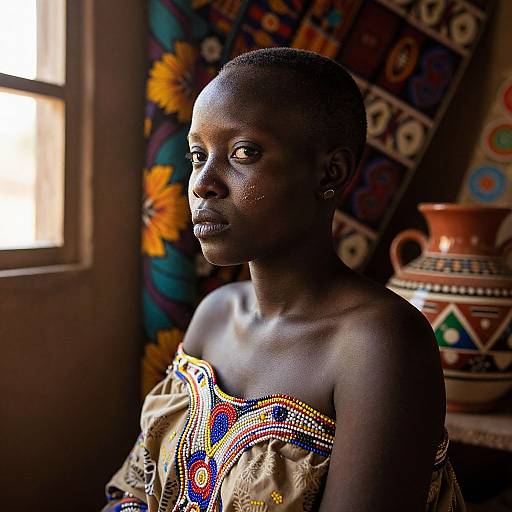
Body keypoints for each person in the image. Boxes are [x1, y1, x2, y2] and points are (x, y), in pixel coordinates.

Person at [103, 47, 465, 512]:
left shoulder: (378, 344)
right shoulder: (215, 315)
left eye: (243, 153)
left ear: (329, 172)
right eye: (197, 155)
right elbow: (138, 487)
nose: (202, 182)